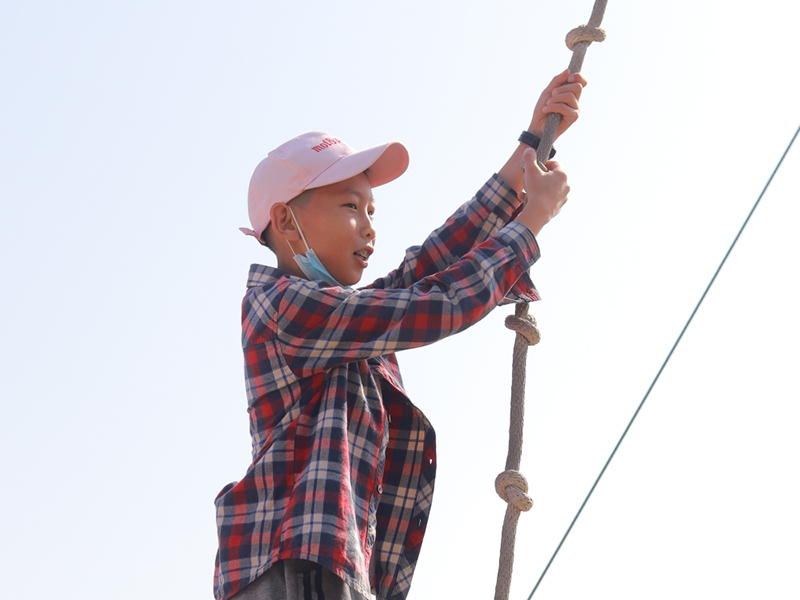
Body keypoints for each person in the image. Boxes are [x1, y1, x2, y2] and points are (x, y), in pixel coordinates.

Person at [214, 70, 587, 600]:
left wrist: (528, 151)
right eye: (350, 206)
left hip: (331, 571)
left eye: (371, 209)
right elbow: (434, 303)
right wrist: (528, 227)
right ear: (287, 221)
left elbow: (432, 264)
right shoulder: (282, 308)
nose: (369, 225)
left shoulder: (345, 325)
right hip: (295, 572)